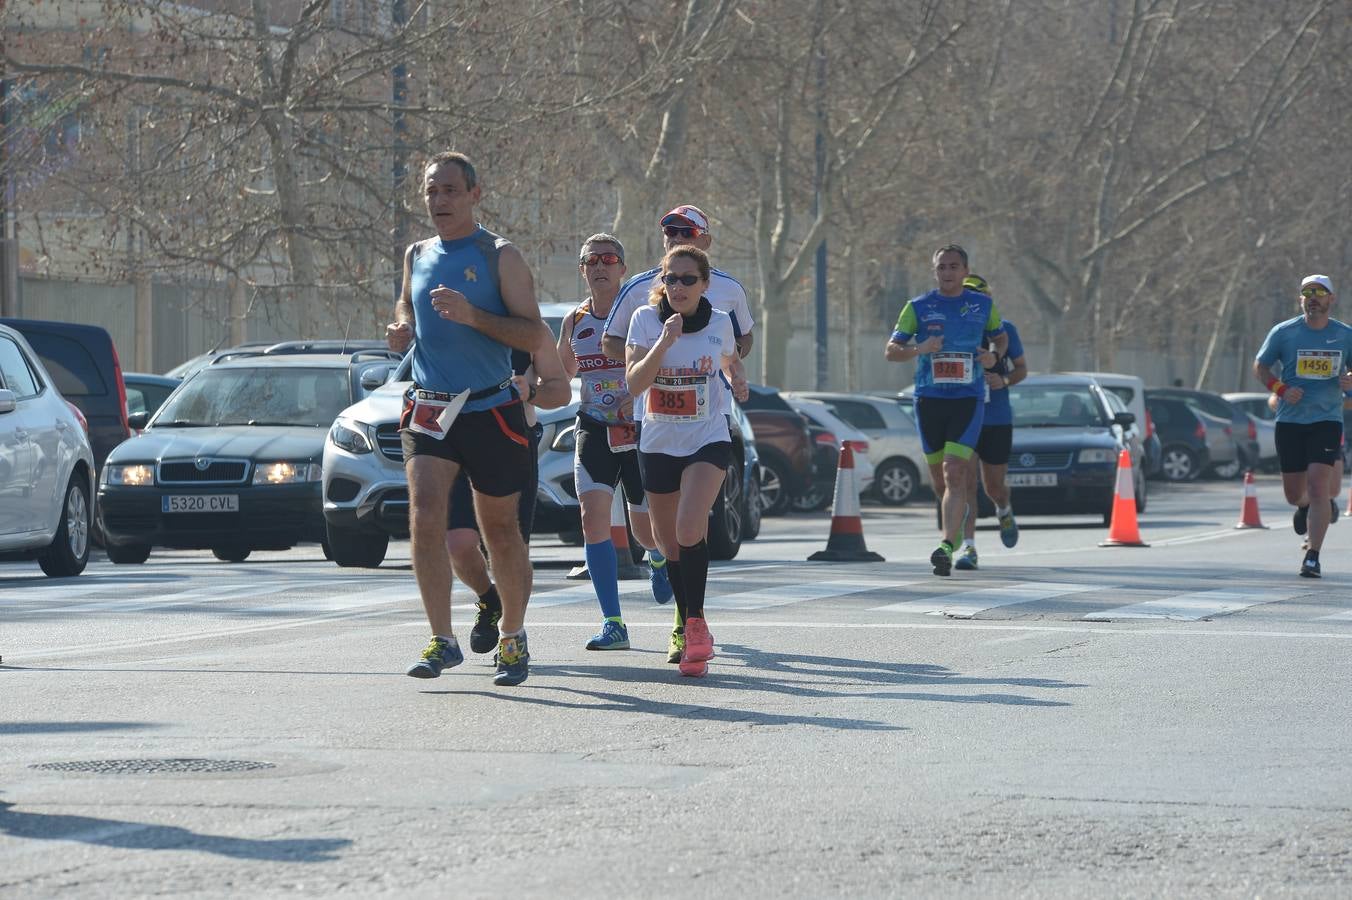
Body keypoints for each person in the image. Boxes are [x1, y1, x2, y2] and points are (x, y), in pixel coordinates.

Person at [385, 150, 543, 686]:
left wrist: (474, 316)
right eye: (432, 191)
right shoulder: (416, 253)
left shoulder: (500, 256)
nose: (439, 201)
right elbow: (406, 305)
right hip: (429, 406)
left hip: (490, 409)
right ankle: (441, 639)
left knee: (498, 531)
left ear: (475, 195)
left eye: (450, 190)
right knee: (425, 515)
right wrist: (401, 326)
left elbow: (532, 335)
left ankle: (513, 637)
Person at [601, 205, 755, 658]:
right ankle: (686, 626)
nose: (679, 287)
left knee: (691, 528)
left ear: (706, 284)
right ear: (661, 283)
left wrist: (738, 375)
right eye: (672, 279)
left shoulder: (722, 322)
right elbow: (631, 384)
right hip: (659, 441)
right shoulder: (645, 322)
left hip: (708, 438)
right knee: (667, 542)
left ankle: (696, 627)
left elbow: (730, 356)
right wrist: (664, 344)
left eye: (689, 280)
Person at [557, 234, 675, 653]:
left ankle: (658, 559)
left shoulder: (643, 316)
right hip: (593, 427)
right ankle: (613, 622)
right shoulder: (575, 321)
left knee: (645, 533)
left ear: (623, 269)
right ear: (583, 270)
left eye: (609, 259)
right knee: (592, 518)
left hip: (641, 429)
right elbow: (559, 375)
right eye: (592, 260)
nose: (600, 266)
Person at [442, 325, 571, 655]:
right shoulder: (450, 323)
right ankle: (489, 600)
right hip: (454, 443)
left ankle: (512, 633)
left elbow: (560, 392)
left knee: (510, 547)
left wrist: (531, 393)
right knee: (457, 544)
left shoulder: (528, 329)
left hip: (513, 443)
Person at [886, 245, 1005, 577]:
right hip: (929, 399)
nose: (947, 273)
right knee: (939, 481)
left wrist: (993, 357)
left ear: (965, 271)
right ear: (934, 271)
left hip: (966, 399)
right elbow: (891, 351)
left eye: (954, 267)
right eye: (941, 267)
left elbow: (1001, 339)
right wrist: (918, 349)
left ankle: (948, 547)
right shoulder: (918, 307)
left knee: (956, 473)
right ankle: (953, 537)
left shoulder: (983, 305)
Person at [1253, 274, 1352, 578]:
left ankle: (1313, 555)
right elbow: (1261, 366)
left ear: (1330, 299)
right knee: (1295, 494)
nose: (1313, 297)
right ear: (1301, 300)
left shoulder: (1345, 335)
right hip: (1290, 421)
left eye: (1319, 293)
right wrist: (1281, 390)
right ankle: (1305, 506)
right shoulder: (1284, 333)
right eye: (1307, 293)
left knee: (1319, 486)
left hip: (1326, 419)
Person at [601, 205, 754, 363]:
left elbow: (746, 336)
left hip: (710, 386)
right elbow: (609, 342)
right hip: (657, 386)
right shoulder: (635, 287)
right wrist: (656, 356)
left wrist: (722, 356)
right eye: (671, 231)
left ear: (706, 241)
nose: (678, 238)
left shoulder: (730, 288)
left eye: (688, 232)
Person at [952, 274, 1026, 571]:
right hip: (964, 414)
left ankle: (1004, 509)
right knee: (965, 483)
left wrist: (1003, 379)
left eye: (978, 298)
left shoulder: (1005, 331)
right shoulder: (952, 331)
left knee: (993, 486)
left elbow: (1021, 369)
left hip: (996, 417)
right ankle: (968, 549)